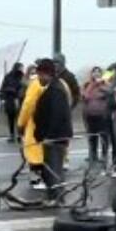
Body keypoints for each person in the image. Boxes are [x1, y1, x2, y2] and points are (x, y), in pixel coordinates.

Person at [25, 58, 74, 199]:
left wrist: (48, 136)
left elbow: (57, 116)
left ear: (47, 74)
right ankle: (55, 196)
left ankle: (57, 198)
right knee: (52, 169)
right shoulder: (54, 87)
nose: (38, 78)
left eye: (40, 74)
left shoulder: (56, 90)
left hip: (54, 138)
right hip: (52, 137)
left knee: (54, 170)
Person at [81, 66, 112, 170]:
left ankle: (104, 156)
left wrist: (102, 85)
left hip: (102, 115)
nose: (97, 74)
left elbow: (110, 93)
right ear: (92, 74)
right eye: (95, 72)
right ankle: (93, 155)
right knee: (92, 137)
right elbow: (86, 96)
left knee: (104, 137)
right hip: (90, 116)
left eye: (99, 72)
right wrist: (93, 85)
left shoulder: (105, 84)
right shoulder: (87, 85)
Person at [0, 63, 25, 143]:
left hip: (20, 99)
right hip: (10, 99)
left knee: (19, 118)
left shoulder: (22, 76)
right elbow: (3, 88)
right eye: (20, 68)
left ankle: (19, 134)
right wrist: (3, 99)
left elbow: (23, 87)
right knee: (11, 117)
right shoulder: (8, 77)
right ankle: (12, 134)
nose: (21, 69)